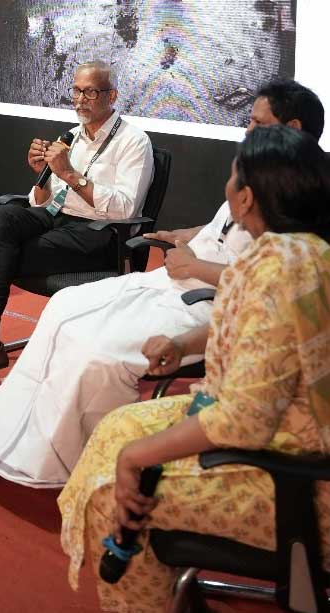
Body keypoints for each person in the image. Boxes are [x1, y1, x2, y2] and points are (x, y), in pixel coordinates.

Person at [0, 79, 325, 487]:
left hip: (191, 291)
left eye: (258, 123)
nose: (248, 131)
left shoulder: (298, 199)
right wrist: (184, 235)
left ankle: (61, 463)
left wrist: (196, 266)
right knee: (60, 306)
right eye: (76, 91)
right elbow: (225, 229)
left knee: (93, 350)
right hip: (167, 275)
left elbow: (270, 284)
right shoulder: (263, 174)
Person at [58, 124, 330, 612]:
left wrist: (134, 459)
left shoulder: (275, 271)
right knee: (117, 427)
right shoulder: (302, 251)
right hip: (280, 427)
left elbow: (242, 422)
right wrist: (183, 342)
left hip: (300, 475)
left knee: (108, 489)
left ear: (245, 198)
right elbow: (258, 326)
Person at [0, 60, 153, 406]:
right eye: (76, 91)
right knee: (3, 216)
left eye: (90, 92)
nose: (80, 100)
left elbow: (125, 209)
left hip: (101, 233)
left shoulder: (134, 142)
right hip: (57, 218)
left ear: (111, 96)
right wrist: (43, 175)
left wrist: (69, 174)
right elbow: (40, 201)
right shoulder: (72, 136)